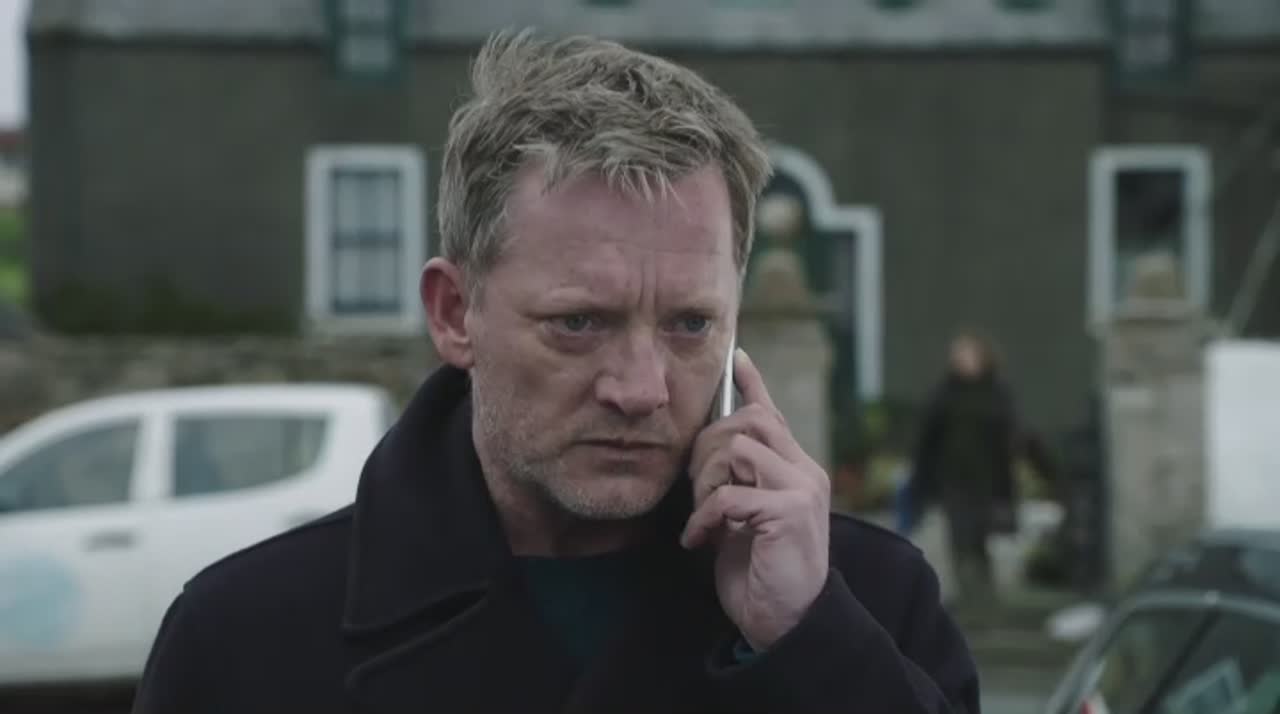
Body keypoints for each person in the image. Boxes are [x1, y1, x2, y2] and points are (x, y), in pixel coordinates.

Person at [132, 31, 979, 714]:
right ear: (455, 314)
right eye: (579, 323)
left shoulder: (866, 604)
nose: (640, 388)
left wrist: (810, 643)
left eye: (690, 325)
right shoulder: (244, 641)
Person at [908, 331, 1021, 607]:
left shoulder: (996, 394)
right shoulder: (944, 395)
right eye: (959, 355)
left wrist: (1007, 486)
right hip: (953, 480)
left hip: (986, 481)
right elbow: (927, 441)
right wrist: (922, 483)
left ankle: (985, 596)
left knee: (981, 539)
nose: (963, 360)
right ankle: (967, 594)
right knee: (960, 536)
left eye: (969, 354)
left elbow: (1006, 442)